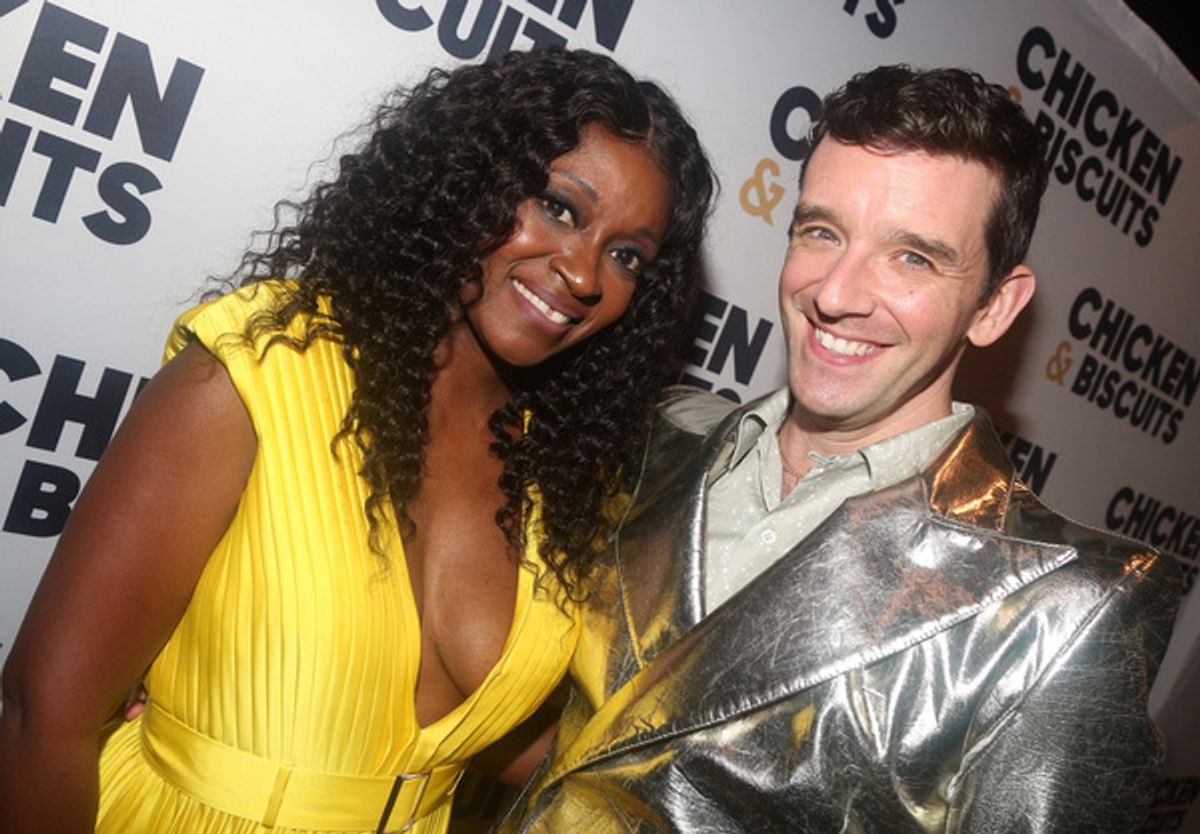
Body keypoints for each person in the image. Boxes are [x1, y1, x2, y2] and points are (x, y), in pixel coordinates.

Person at [0, 47, 715, 834]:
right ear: (472, 180)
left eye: (626, 255)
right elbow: (44, 719)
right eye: (560, 207)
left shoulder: (558, 478)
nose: (583, 274)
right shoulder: (261, 371)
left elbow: (503, 741)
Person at [499, 64, 1181, 833]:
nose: (835, 294)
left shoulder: (1061, 614)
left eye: (913, 257)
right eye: (822, 232)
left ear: (994, 306)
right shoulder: (656, 435)